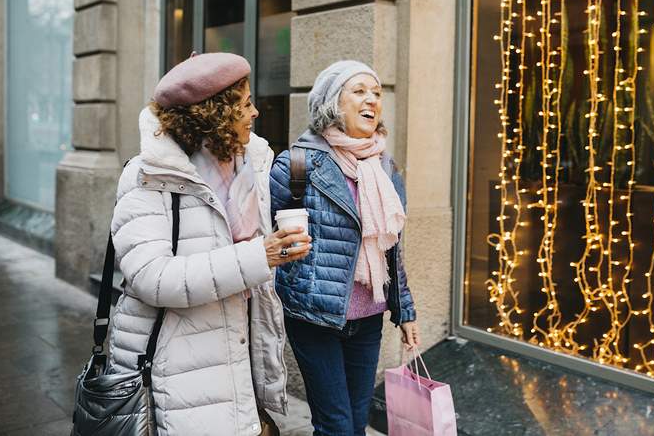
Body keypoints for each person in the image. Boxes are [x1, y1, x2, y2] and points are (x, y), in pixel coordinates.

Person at [107, 52, 310, 435]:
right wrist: (259, 254)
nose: (255, 113)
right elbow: (152, 277)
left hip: (237, 359)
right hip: (177, 366)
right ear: (214, 113)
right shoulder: (149, 175)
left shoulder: (250, 167)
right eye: (245, 103)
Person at [269, 60, 420, 436]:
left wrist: (406, 311)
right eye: (359, 91)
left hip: (369, 317)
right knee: (335, 426)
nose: (371, 100)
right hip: (316, 317)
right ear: (331, 103)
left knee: (356, 423)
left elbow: (392, 250)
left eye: (376, 93)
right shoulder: (296, 165)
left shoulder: (386, 169)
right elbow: (267, 246)